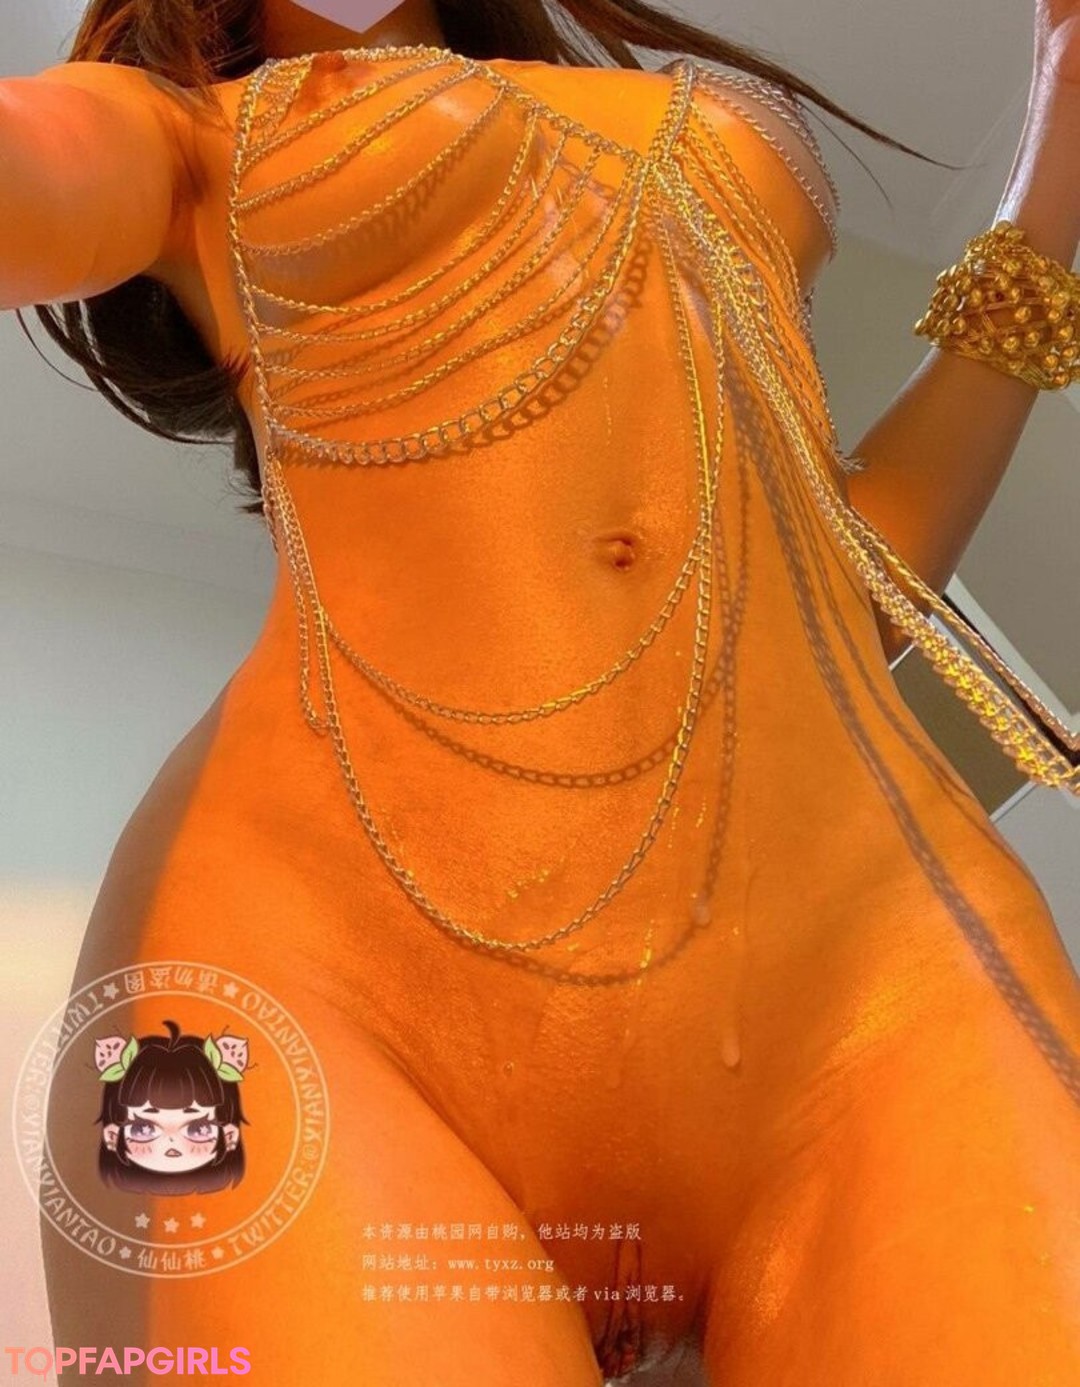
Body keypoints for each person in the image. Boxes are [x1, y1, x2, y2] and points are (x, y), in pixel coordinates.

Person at [4, 0, 1079, 1381]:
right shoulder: (176, 128)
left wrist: (1057, 155)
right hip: (320, 989)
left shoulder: (701, 124)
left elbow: (837, 579)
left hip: (879, 979)